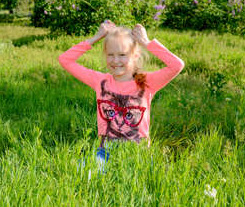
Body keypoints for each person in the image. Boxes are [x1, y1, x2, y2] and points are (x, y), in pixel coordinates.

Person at [58, 20, 184, 169]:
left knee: (148, 180)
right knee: (81, 172)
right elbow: (64, 60)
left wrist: (146, 42)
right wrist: (96, 37)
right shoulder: (101, 82)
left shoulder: (145, 82)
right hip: (106, 152)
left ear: (135, 55)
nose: (116, 60)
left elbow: (177, 65)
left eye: (122, 54)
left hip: (138, 153)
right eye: (110, 54)